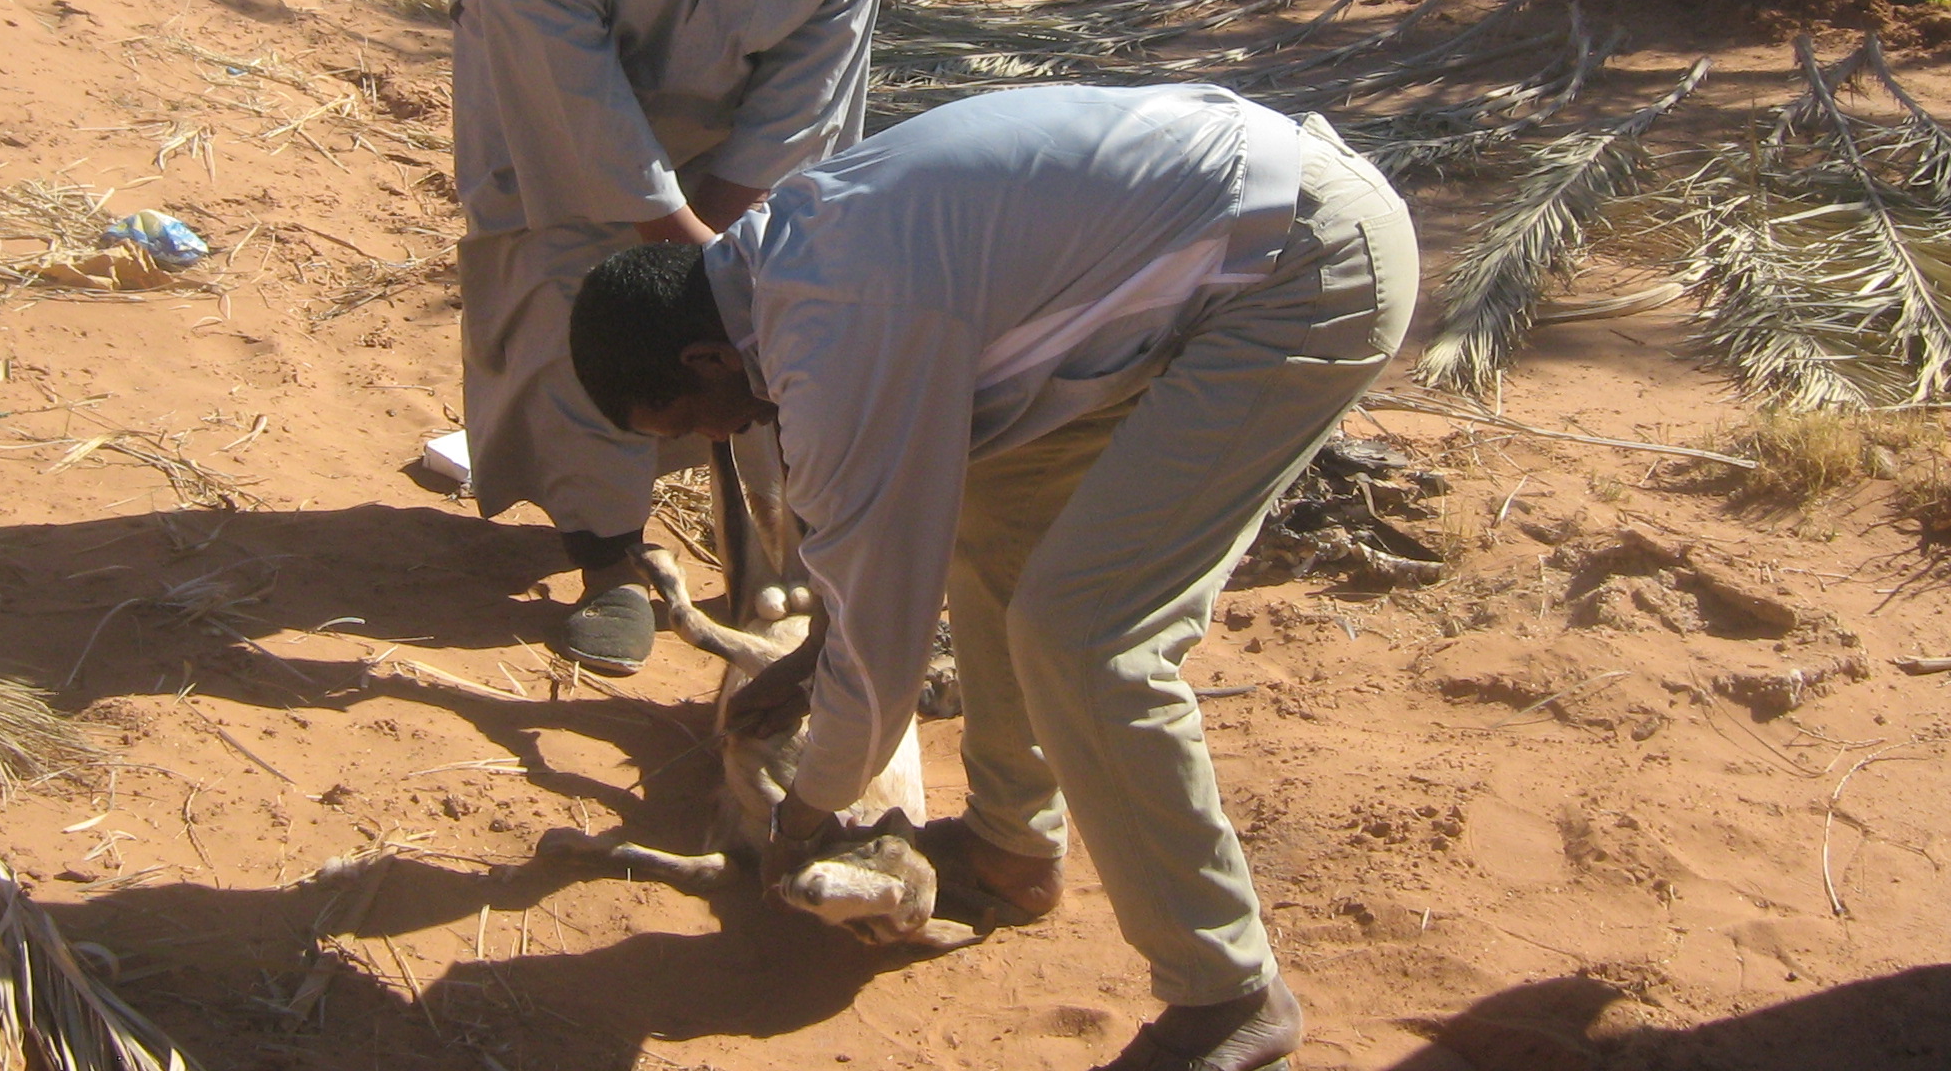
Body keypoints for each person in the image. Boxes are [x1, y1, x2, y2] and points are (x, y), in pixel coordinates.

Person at [567, 83, 1417, 1071]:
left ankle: (1228, 994)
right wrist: (814, 650)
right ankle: (1012, 850)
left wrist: (804, 815)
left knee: (1087, 633)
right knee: (996, 518)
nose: (719, 437)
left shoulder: (835, 329)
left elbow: (882, 651)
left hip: (1299, 271)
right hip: (1207, 254)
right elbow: (867, 562)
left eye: (691, 420)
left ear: (708, 356)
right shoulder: (785, 261)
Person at [449, 0, 886, 676]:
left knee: (772, 302)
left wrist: (723, 237)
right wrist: (666, 234)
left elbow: (837, 16)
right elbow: (553, 41)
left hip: (750, 88)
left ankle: (787, 554)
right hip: (564, 85)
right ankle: (607, 553)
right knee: (578, 285)